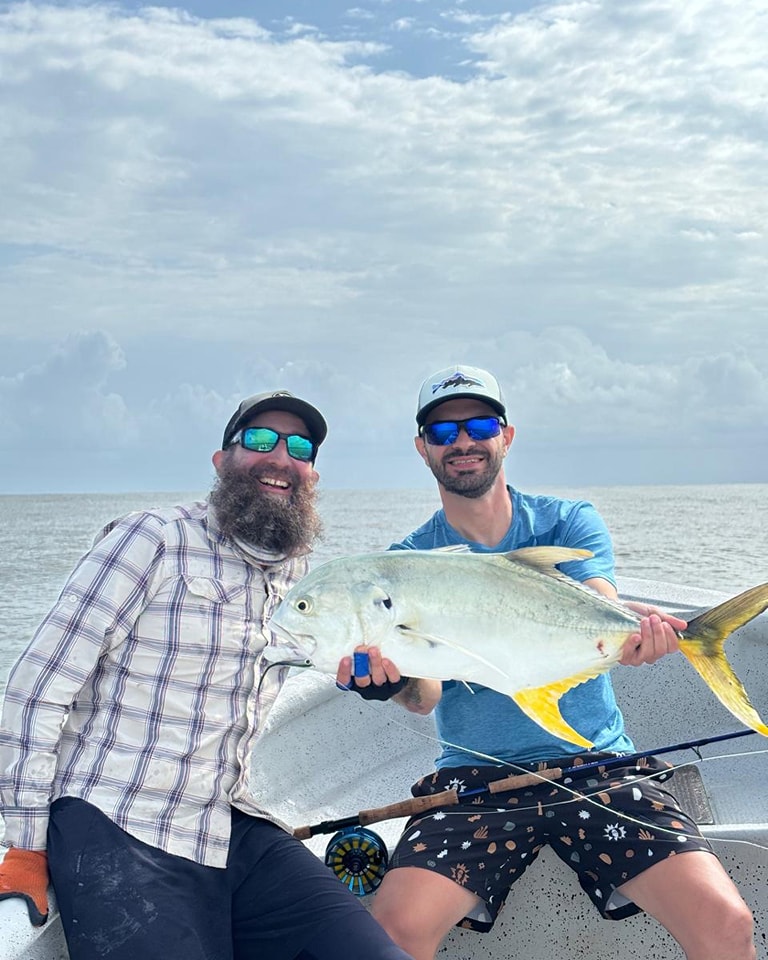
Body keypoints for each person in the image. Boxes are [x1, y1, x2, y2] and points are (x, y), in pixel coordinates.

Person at [336, 365, 756, 960]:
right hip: (475, 781)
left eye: (479, 424)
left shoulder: (565, 521)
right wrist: (391, 682)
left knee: (727, 923)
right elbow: (425, 696)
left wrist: (635, 639)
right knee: (390, 935)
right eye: (442, 429)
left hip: (597, 765)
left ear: (506, 436)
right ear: (422, 447)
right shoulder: (407, 564)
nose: (462, 442)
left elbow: (598, 609)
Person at [0, 390, 412, 960]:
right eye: (261, 440)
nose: (281, 457)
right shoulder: (152, 538)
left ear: (312, 475)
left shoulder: (298, 576)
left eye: (301, 447)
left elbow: (347, 660)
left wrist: (386, 680)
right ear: (222, 462)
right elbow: (37, 689)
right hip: (117, 822)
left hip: (232, 821)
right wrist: (23, 846)